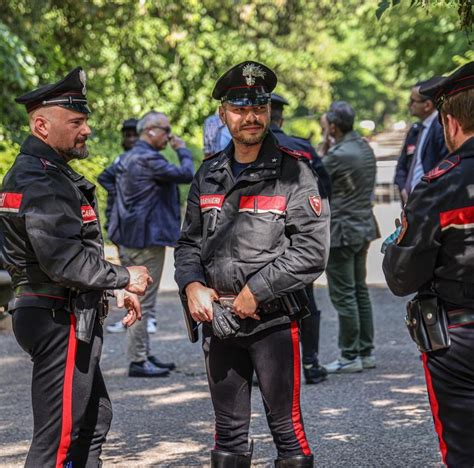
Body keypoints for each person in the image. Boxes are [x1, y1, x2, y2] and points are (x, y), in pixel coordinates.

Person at [175, 61, 329, 467]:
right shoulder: (208, 174)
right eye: (240, 109)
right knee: (227, 434)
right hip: (219, 323)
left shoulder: (295, 172)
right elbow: (188, 243)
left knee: (286, 430)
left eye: (258, 107)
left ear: (268, 112)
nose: (251, 117)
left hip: (274, 322)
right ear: (224, 114)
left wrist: (254, 291)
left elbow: (311, 251)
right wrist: (192, 285)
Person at [0, 67, 152, 467]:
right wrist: (125, 276)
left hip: (60, 311)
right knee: (58, 442)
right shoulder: (40, 179)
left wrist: (110, 288)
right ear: (41, 125)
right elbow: (63, 261)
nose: (86, 130)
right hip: (56, 317)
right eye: (76, 122)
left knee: (92, 421)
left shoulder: (50, 174)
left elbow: (69, 248)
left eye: (85, 121)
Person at [383, 61, 474, 467]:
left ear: (450, 123)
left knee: (463, 448)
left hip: (460, 338)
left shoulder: (440, 185)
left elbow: (402, 277)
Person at [109, 110, 195, 377]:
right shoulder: (148, 158)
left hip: (130, 236)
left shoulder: (128, 157)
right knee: (142, 301)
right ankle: (137, 359)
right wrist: (183, 150)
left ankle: (143, 354)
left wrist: (122, 204)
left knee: (141, 299)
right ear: (151, 131)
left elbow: (105, 177)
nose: (170, 137)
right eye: (166, 131)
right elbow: (186, 174)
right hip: (145, 239)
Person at [269, 92, 331, 384]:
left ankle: (267, 369)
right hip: (299, 238)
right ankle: (311, 362)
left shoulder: (243, 149)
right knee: (307, 300)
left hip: (261, 240)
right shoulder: (302, 147)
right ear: (281, 118)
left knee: (263, 300)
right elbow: (324, 188)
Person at [319, 102, 379, 374]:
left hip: (342, 230)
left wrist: (324, 142)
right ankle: (365, 351)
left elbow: (314, 176)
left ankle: (349, 354)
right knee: (359, 290)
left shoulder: (339, 154)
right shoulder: (364, 147)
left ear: (333, 126)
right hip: (363, 226)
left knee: (344, 294)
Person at [98, 118, 159, 335]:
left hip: (142, 231)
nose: (131, 139)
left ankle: (147, 319)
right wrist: (119, 192)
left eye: (135, 135)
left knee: (145, 279)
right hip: (122, 229)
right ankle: (130, 318)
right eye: (127, 135)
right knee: (126, 278)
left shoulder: (148, 160)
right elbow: (104, 178)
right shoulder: (121, 161)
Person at [394, 79, 448, 204]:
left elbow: (443, 166)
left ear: (427, 105)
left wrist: (424, 192)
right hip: (411, 202)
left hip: (430, 201)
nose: (409, 105)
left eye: (413, 101)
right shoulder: (415, 130)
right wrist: (403, 188)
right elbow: (402, 165)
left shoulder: (441, 128)